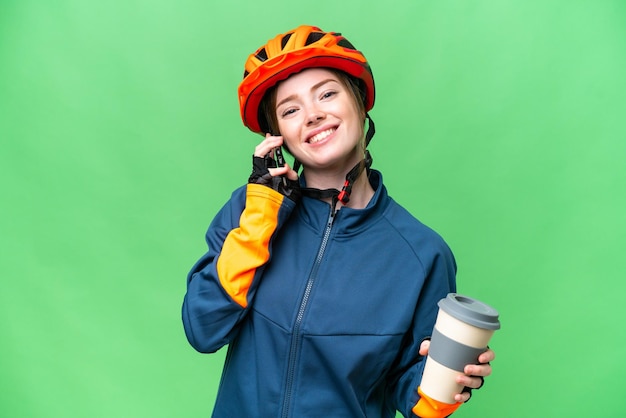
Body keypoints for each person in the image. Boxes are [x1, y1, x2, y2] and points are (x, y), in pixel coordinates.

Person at [181, 25, 495, 418]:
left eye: (327, 94)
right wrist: (261, 217)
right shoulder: (251, 211)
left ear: (360, 104)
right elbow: (203, 330)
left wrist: (446, 384)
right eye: (290, 110)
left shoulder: (422, 254)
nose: (312, 115)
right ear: (278, 137)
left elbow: (410, 394)